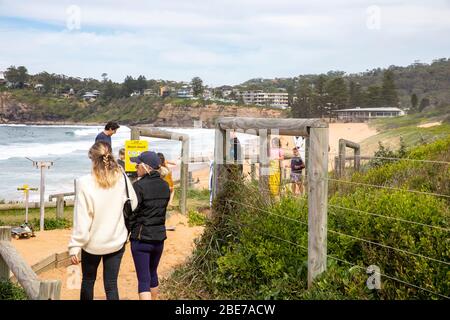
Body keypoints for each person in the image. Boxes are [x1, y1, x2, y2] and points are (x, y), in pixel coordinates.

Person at [68, 141, 138, 300]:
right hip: (116, 240)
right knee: (111, 284)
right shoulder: (121, 177)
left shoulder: (84, 183)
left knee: (88, 281)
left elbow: (82, 219)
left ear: (92, 159)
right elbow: (133, 203)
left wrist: (74, 247)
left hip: (92, 244)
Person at [128, 151, 170, 300]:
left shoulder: (138, 186)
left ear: (146, 167)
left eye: (137, 164)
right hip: (159, 237)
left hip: (141, 238)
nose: (135, 167)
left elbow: (131, 212)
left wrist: (130, 229)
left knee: (143, 280)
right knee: (153, 273)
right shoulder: (165, 186)